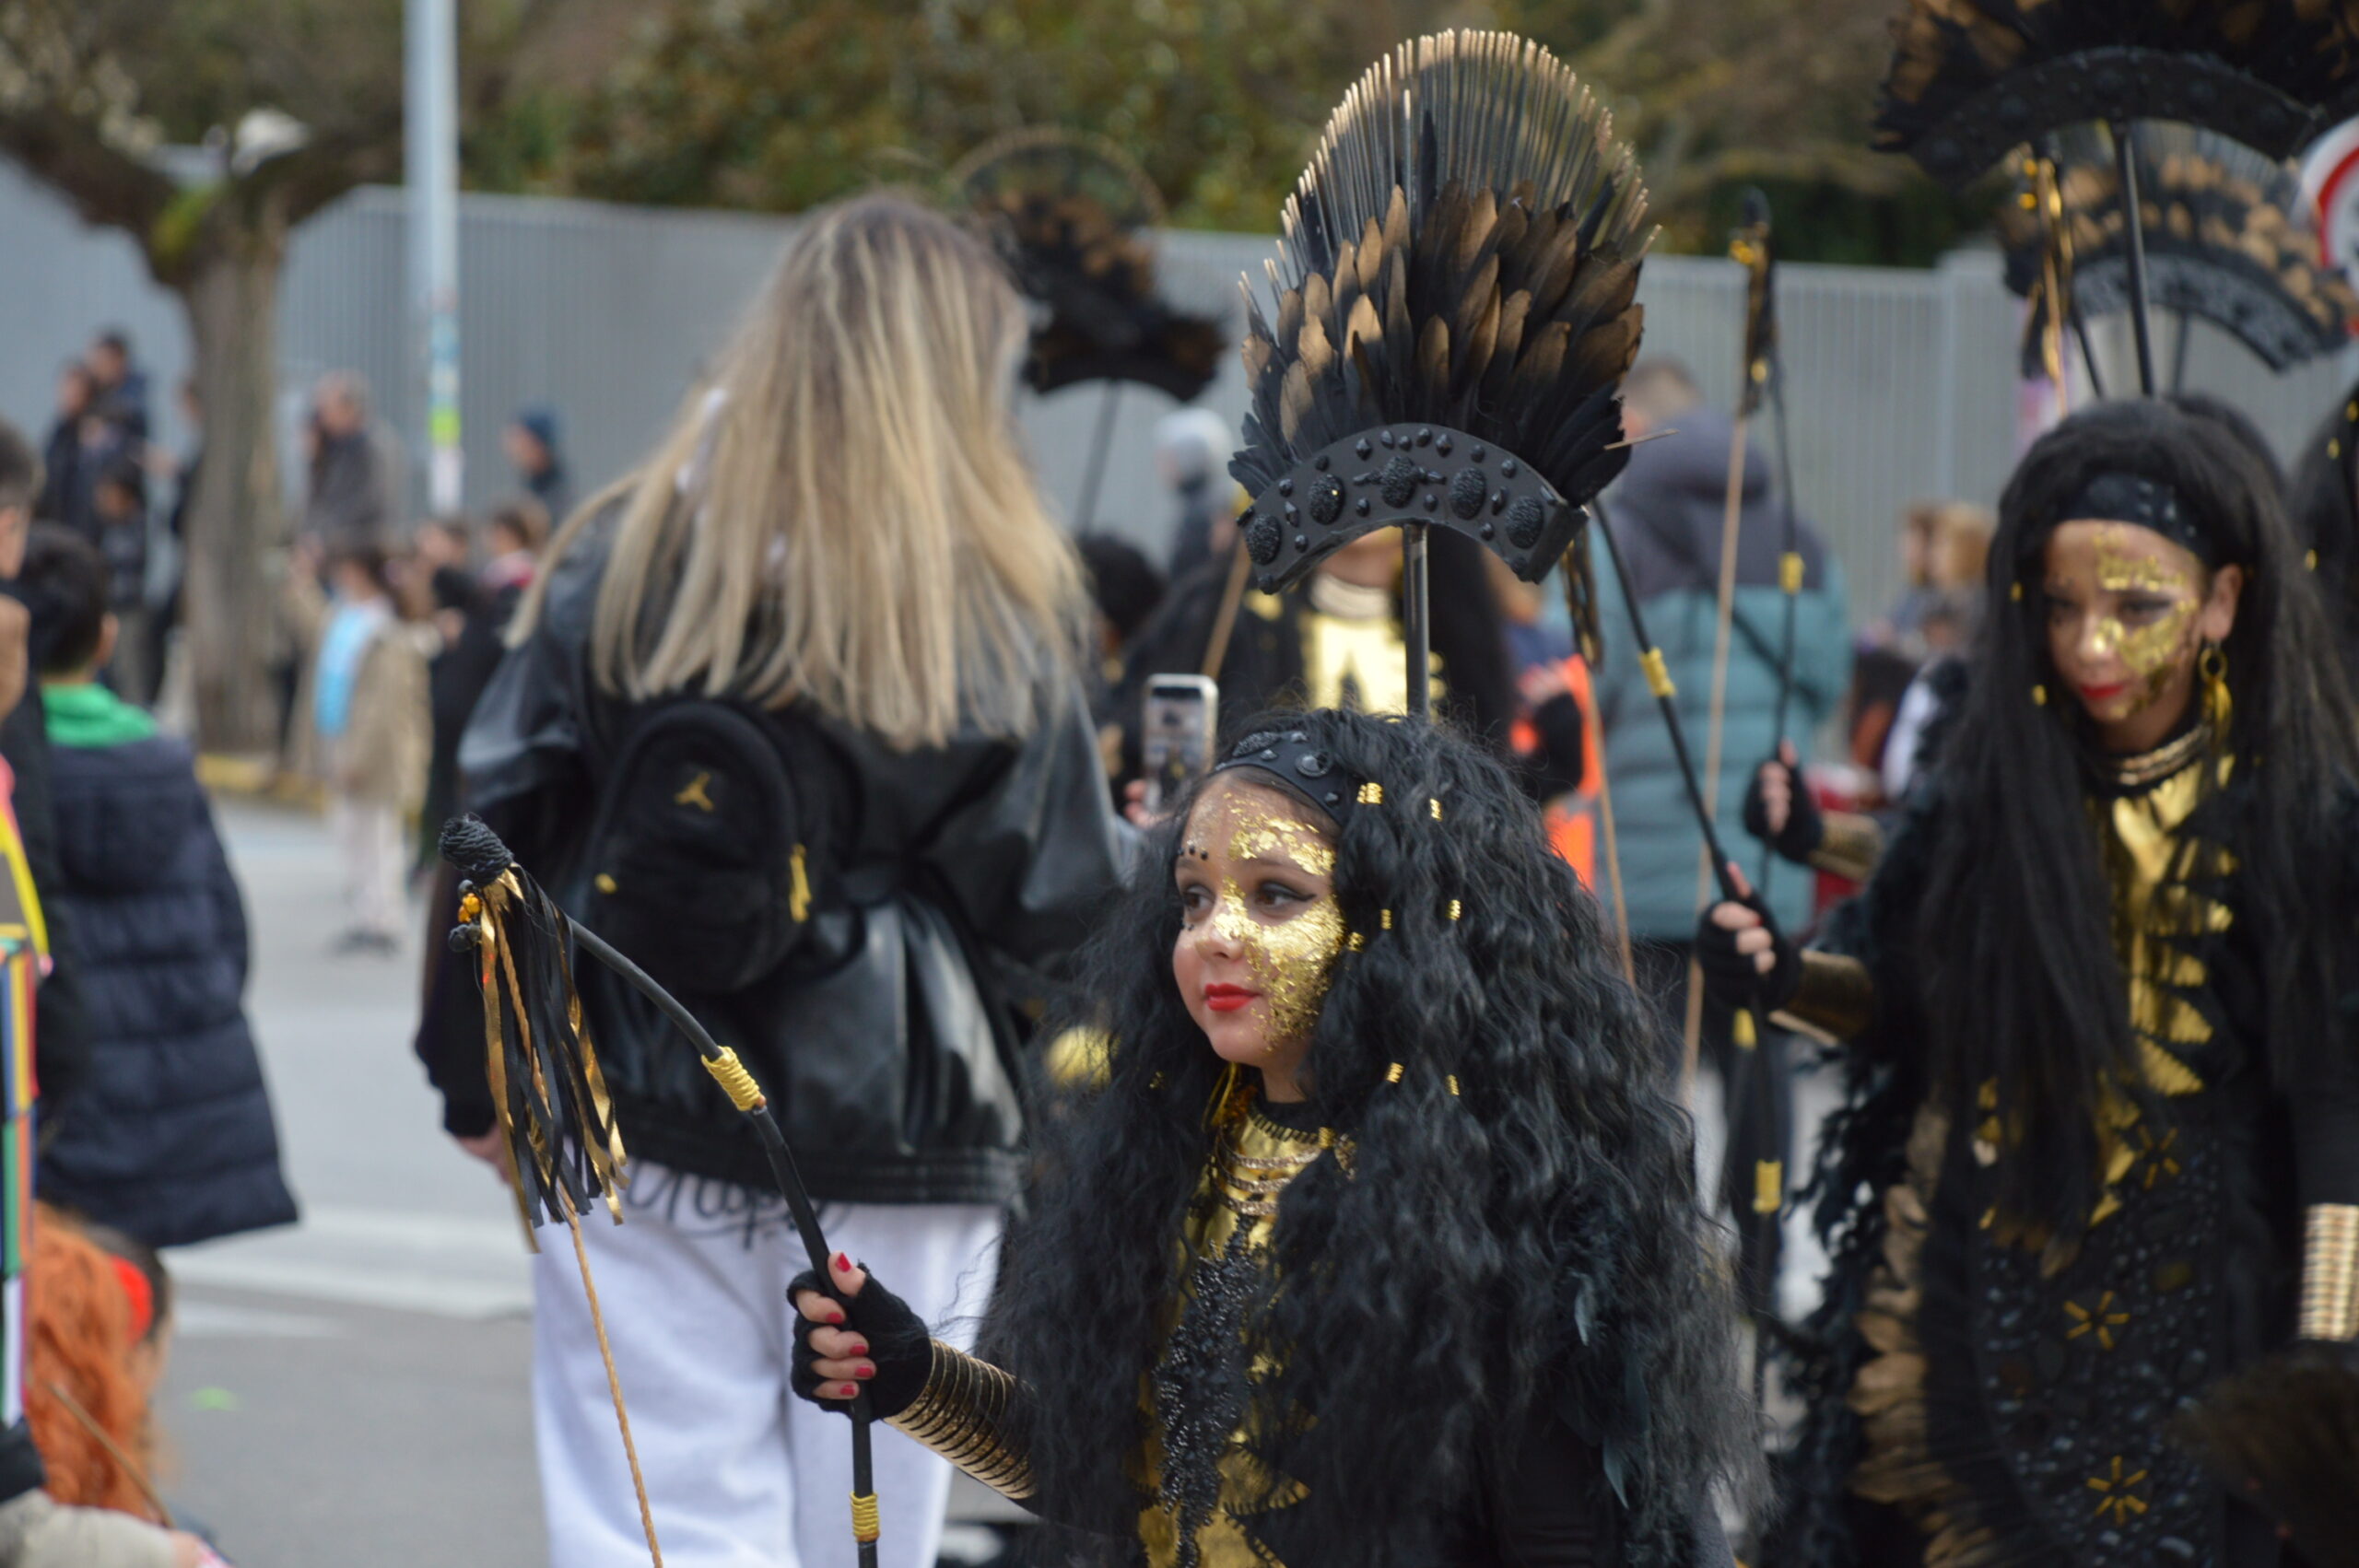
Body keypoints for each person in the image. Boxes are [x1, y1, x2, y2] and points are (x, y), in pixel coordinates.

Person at [418, 193, 1129, 1568]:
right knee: (870, 1523)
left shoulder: (623, 558)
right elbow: (1051, 899)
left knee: (650, 1520)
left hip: (631, 1097)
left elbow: (489, 833)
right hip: (905, 1129)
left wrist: (474, 1076)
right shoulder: (989, 594)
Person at [791, 709, 1755, 1567]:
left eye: (1276, 894)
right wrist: (911, 1373)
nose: (1214, 932)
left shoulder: (1508, 1204)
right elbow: (1116, 1478)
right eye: (1194, 895)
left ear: (1394, 929)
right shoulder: (1169, 1156)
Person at [1703, 400, 2359, 1568]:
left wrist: (2326, 1362)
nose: (2092, 648)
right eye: (2062, 609)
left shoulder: (2303, 827)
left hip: (2217, 1336)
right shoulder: (1988, 802)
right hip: (1973, 1311)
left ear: (2222, 602)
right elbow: (1908, 1009)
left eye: (2136, 607)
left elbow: (2333, 1105)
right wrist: (1788, 974)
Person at [24, 524, 295, 1248]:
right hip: (172, 1102)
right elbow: (226, 931)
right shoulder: (164, 761)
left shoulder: (14, 773)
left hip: (51, 1108)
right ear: (105, 640)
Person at [1589, 356, 1849, 1016]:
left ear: (1635, 423)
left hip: (1644, 856)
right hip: (1764, 856)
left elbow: (1597, 681)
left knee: (1647, 1083)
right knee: (1759, 1071)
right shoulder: (1805, 541)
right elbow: (1829, 680)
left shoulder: (1620, 538)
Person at [283, 541, 431, 954]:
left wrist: (358, 757)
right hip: (338, 735)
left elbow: (382, 707)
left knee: (378, 833)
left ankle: (383, 919)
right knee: (351, 830)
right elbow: (313, 627)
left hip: (372, 749)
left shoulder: (386, 629)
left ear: (363, 572)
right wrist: (299, 584)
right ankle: (366, 913)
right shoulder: (346, 615)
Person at [299, 372, 397, 552]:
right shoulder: (334, 446)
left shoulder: (371, 448)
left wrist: (323, 536)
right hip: (334, 545)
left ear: (348, 409)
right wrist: (315, 459)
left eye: (326, 409)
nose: (320, 417)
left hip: (360, 549)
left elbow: (365, 503)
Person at [1156, 407, 1238, 583]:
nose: (1161, 464)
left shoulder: (1200, 512)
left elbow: (1185, 575)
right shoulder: (1216, 500)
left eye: (1169, 455)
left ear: (1188, 457)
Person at [34, 367, 96, 541]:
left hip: (82, 534)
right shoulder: (57, 433)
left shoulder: (94, 435)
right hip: (53, 527)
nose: (68, 396)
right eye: (65, 389)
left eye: (75, 391)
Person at [503, 407, 572, 526]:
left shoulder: (558, 495)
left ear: (539, 444)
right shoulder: (531, 483)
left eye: (521, 441)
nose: (514, 449)